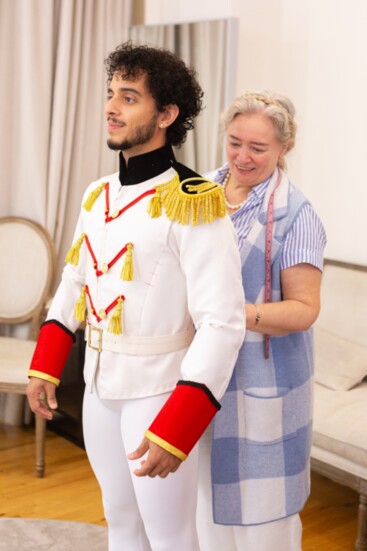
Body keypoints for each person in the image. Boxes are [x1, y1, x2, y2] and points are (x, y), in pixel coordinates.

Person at [25, 42, 245, 551]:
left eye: (129, 97)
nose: (111, 107)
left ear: (166, 114)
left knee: (169, 536)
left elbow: (223, 322)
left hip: (159, 392)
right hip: (100, 389)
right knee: (120, 523)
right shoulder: (96, 193)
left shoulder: (194, 203)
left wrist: (180, 423)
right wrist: (45, 364)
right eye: (110, 94)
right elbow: (75, 282)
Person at [196, 90, 327, 551]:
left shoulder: (297, 216)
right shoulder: (200, 194)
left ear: (283, 148)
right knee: (205, 507)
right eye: (235, 142)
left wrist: (234, 315)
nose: (242, 157)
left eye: (258, 148)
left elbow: (304, 309)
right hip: (202, 375)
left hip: (261, 381)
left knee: (262, 519)